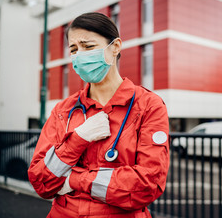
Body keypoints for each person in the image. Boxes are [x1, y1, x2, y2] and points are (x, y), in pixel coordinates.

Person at [28, 12, 170, 218]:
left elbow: (147, 185)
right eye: (74, 49)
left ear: (115, 47)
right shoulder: (63, 110)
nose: (80, 55)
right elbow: (41, 181)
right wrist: (78, 139)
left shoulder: (148, 105)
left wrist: (72, 179)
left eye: (88, 46)